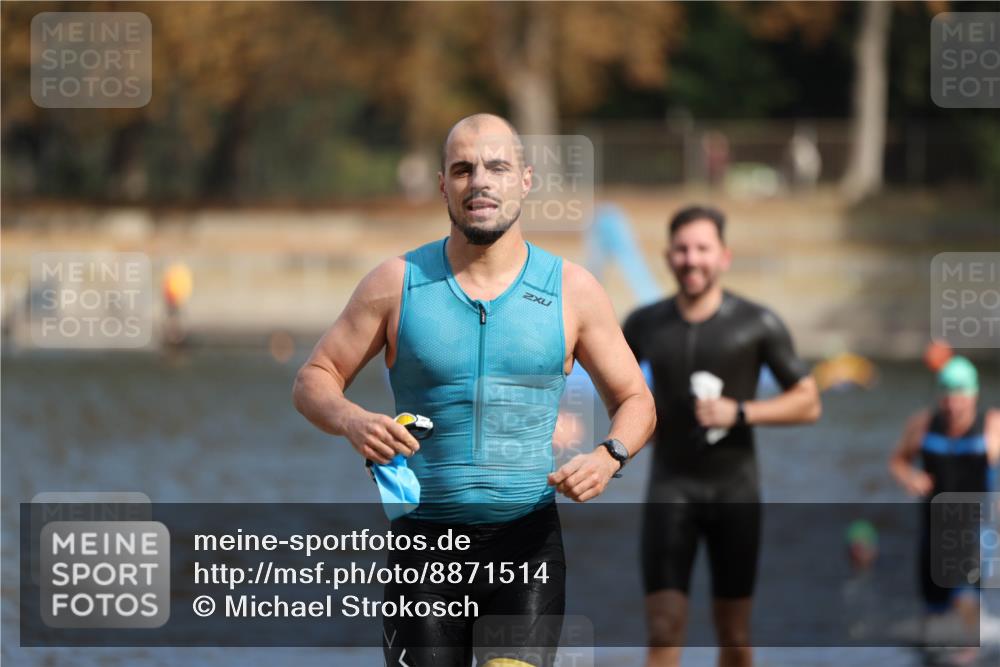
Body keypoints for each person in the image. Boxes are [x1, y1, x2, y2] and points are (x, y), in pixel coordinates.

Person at [293, 113, 656, 667]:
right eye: (462, 169)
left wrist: (610, 456)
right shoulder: (396, 283)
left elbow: (636, 400)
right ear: (443, 184)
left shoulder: (573, 291)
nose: (479, 182)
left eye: (496, 167)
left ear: (525, 179)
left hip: (527, 549)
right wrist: (352, 421)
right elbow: (313, 380)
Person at [622, 205, 822, 667]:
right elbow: (615, 387)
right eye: (682, 249)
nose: (692, 259)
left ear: (724, 256)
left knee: (733, 635)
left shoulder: (757, 323)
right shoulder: (644, 324)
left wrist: (742, 412)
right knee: (662, 630)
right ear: (668, 256)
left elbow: (809, 401)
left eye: (702, 249)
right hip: (670, 490)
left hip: (735, 493)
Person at [888, 356, 999, 652]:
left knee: (965, 616)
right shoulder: (923, 424)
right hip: (933, 530)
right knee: (934, 618)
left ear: (973, 395)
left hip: (974, 530)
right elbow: (898, 461)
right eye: (947, 397)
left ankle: (968, 653)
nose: (953, 406)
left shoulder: (992, 425)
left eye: (960, 397)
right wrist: (909, 476)